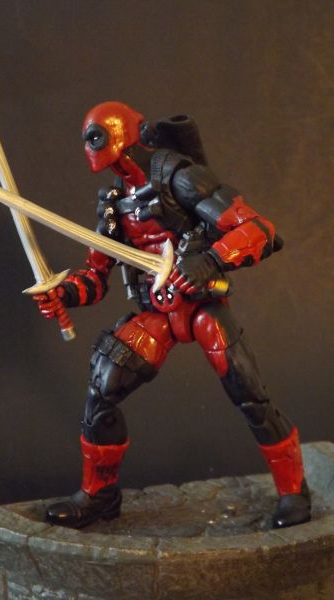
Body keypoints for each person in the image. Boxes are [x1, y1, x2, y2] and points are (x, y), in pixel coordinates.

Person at [34, 101, 311, 529]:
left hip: (201, 304)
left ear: (123, 134)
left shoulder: (181, 177)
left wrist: (210, 259)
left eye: (97, 135)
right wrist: (63, 294)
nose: (91, 146)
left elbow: (260, 230)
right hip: (156, 312)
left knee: (250, 395)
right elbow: (96, 276)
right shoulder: (114, 204)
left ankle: (294, 490)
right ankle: (99, 496)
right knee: (103, 388)